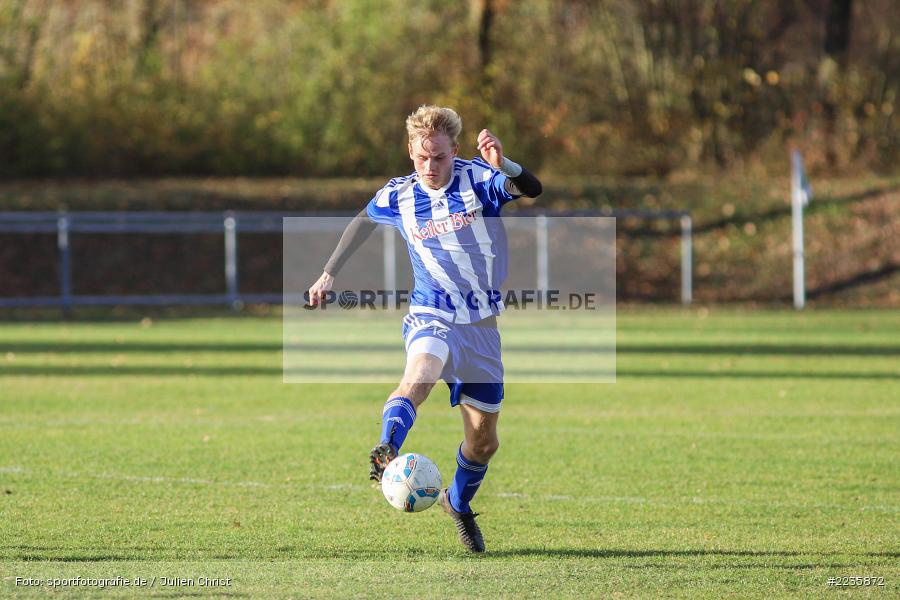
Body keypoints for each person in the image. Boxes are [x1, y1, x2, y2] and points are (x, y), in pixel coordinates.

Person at [306, 105, 542, 553]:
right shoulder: (399, 194)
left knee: (484, 443)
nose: (430, 167)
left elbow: (532, 188)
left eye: (439, 157)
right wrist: (328, 273)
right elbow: (361, 223)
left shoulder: (480, 180)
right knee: (420, 375)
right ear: (411, 151)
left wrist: (504, 164)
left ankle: (458, 503)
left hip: (482, 327)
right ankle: (386, 448)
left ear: (455, 149)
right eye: (421, 157)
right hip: (431, 312)